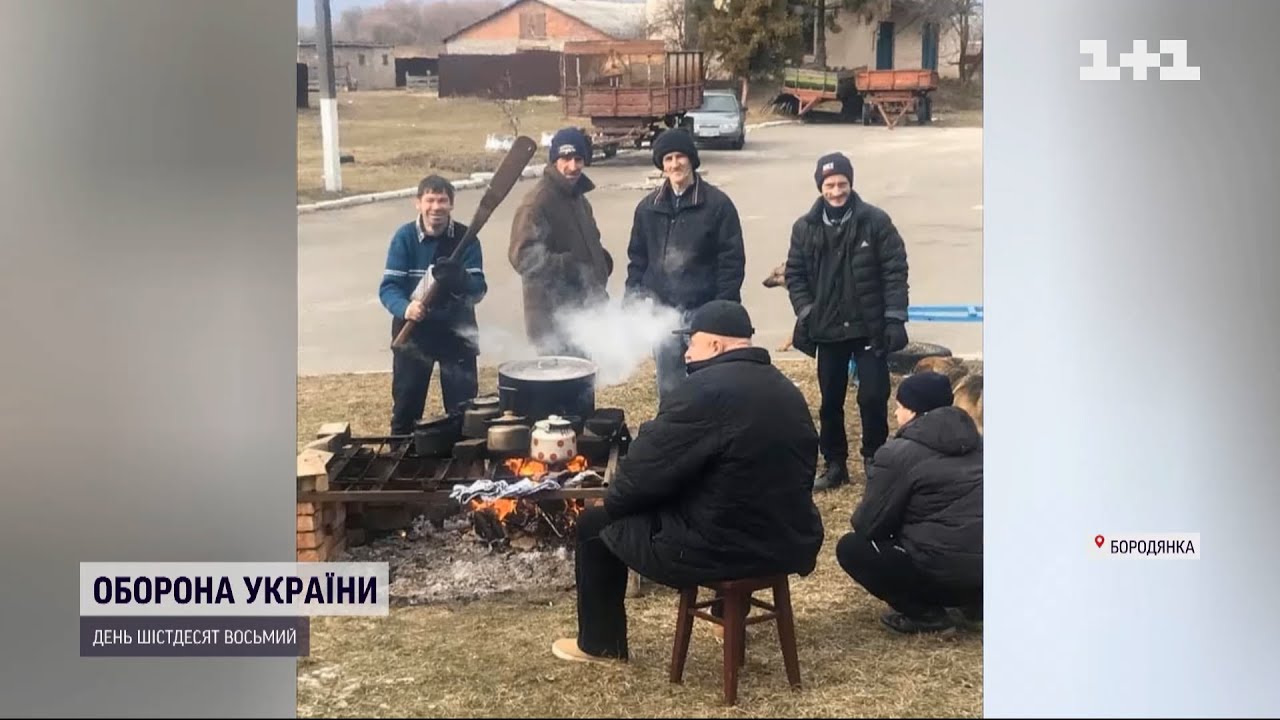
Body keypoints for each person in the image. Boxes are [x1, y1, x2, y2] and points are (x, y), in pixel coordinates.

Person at [550, 300, 824, 663]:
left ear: (716, 344)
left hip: (725, 548)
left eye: (692, 343)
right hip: (787, 539)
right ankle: (728, 615)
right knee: (732, 495)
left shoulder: (702, 392)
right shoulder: (785, 388)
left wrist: (611, 501)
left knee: (594, 524)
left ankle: (600, 644)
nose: (686, 353)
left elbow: (643, 473)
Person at [784, 151, 909, 491]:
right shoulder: (804, 227)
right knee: (830, 402)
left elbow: (895, 271)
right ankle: (835, 463)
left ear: (850, 183)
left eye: (842, 184)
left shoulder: (876, 222)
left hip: (869, 327)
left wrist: (894, 318)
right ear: (820, 187)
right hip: (827, 329)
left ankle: (875, 459)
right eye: (829, 185)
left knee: (873, 396)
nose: (836, 191)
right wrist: (806, 311)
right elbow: (795, 274)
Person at [836, 371, 982, 634]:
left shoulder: (898, 454)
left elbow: (868, 524)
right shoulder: (979, 444)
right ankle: (976, 606)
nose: (895, 413)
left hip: (939, 574)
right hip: (988, 573)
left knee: (852, 548)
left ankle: (927, 615)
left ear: (914, 411)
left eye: (899, 406)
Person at [624, 129, 746, 404]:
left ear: (692, 160)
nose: (675, 164)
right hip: (663, 314)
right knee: (670, 388)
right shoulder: (647, 208)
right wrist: (633, 299)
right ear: (661, 165)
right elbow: (637, 260)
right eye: (668, 159)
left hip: (703, 312)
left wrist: (721, 310)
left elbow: (731, 262)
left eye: (680, 156)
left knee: (709, 385)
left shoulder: (718, 205)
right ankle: (673, 428)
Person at [379, 175, 488, 435]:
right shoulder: (404, 238)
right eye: (430, 200)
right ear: (418, 203)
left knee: (464, 413)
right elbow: (389, 288)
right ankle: (400, 452)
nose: (436, 207)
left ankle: (463, 456)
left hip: (457, 332)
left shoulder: (467, 238)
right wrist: (406, 308)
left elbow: (478, 290)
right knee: (406, 409)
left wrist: (461, 279)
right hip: (413, 332)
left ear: (451, 204)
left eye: (442, 200)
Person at [509, 127, 613, 357]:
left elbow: (588, 243)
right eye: (566, 158)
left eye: (578, 159)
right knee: (561, 379)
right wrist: (570, 265)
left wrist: (600, 263)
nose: (573, 166)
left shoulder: (579, 200)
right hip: (553, 321)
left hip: (584, 314)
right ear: (554, 160)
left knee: (587, 377)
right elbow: (523, 257)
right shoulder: (538, 202)